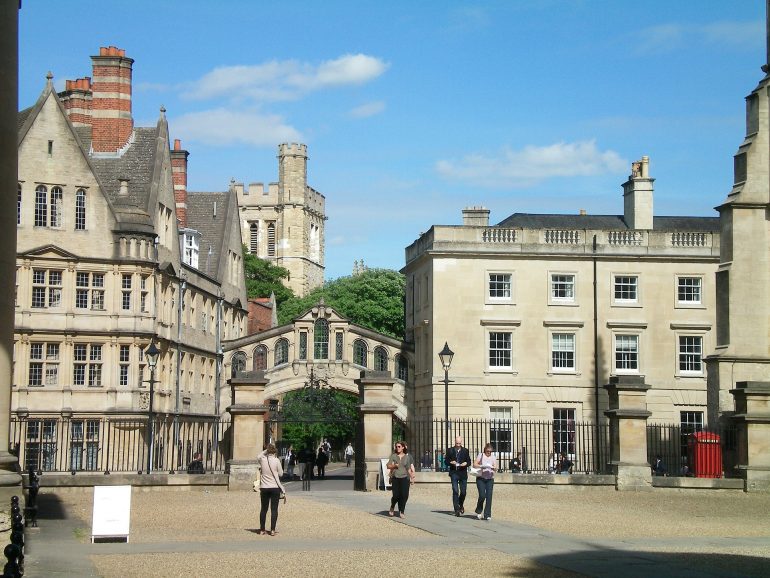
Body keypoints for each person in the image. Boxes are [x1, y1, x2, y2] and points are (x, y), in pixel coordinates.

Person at [257, 444, 285, 536]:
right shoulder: (276, 461)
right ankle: (272, 530)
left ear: (267, 452)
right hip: (274, 488)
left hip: (264, 487)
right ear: (275, 452)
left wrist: (265, 451)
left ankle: (262, 529)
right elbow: (281, 474)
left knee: (263, 509)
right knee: (274, 509)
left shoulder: (263, 460)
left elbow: (258, 456)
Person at [386, 440, 415, 518]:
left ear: (402, 447)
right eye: (396, 447)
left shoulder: (407, 457)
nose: (397, 448)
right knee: (396, 495)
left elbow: (408, 468)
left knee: (404, 495)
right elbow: (388, 466)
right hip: (395, 477)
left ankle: (402, 511)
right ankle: (392, 506)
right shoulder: (393, 456)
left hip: (405, 478)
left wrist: (412, 477)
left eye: (399, 446)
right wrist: (395, 465)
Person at [445, 436, 471, 516]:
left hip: (462, 473)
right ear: (454, 442)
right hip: (454, 472)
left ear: (461, 443)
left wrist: (466, 463)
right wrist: (450, 462)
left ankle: (460, 504)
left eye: (459, 443)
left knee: (463, 492)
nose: (458, 445)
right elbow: (446, 461)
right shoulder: (450, 450)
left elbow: (469, 461)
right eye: (457, 443)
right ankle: (456, 509)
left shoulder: (465, 451)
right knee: (455, 491)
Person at [474, 443, 497, 520]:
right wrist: (481, 466)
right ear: (485, 450)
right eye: (488, 451)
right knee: (482, 495)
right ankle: (479, 511)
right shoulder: (481, 455)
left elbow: (496, 467)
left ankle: (487, 514)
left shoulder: (493, 457)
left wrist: (493, 468)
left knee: (489, 496)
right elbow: (474, 464)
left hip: (490, 479)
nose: (489, 453)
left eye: (490, 451)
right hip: (481, 478)